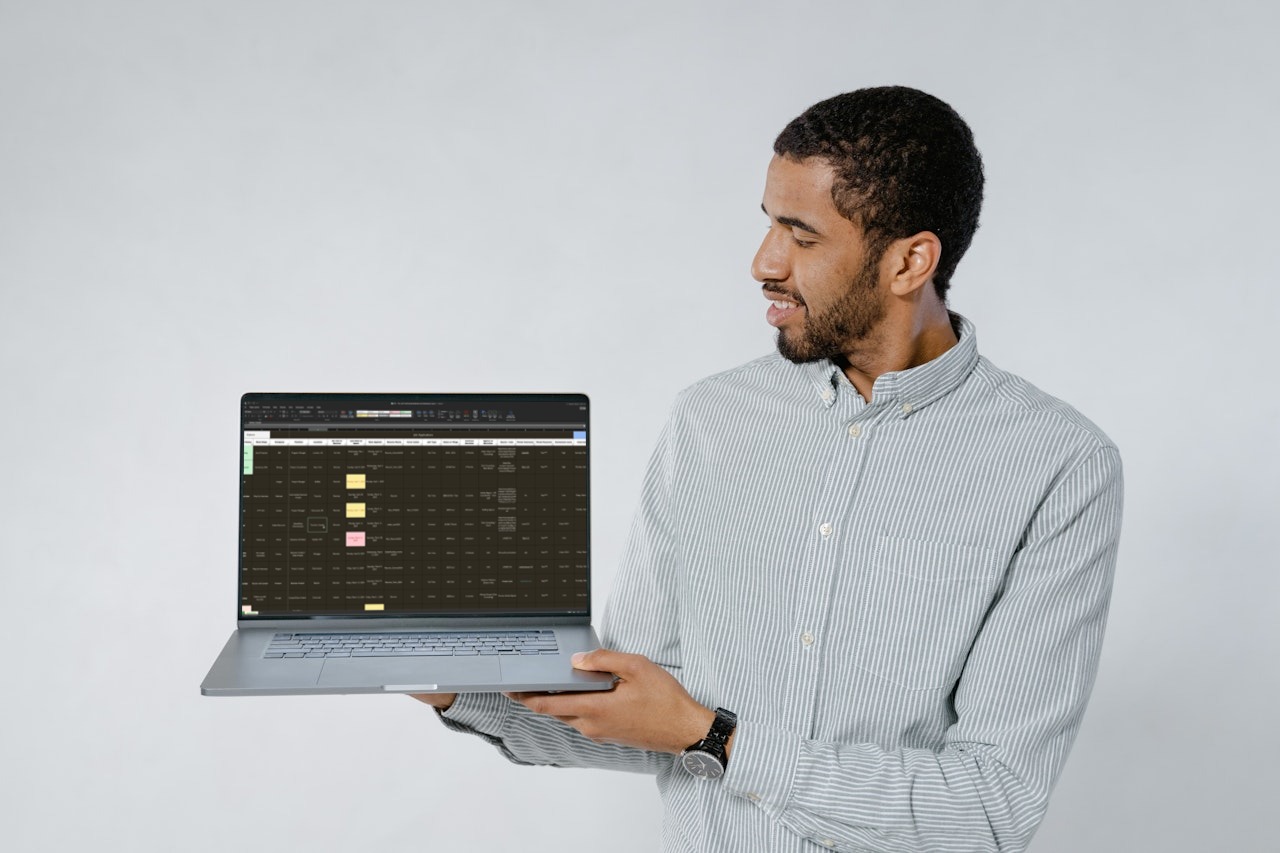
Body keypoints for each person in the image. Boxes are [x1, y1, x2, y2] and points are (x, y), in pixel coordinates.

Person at [414, 86, 1123, 853]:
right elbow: (645, 720)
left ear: (910, 261)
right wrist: (451, 682)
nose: (763, 263)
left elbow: (987, 809)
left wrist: (716, 737)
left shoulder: (1057, 465)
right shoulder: (711, 419)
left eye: (802, 236)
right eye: (768, 223)